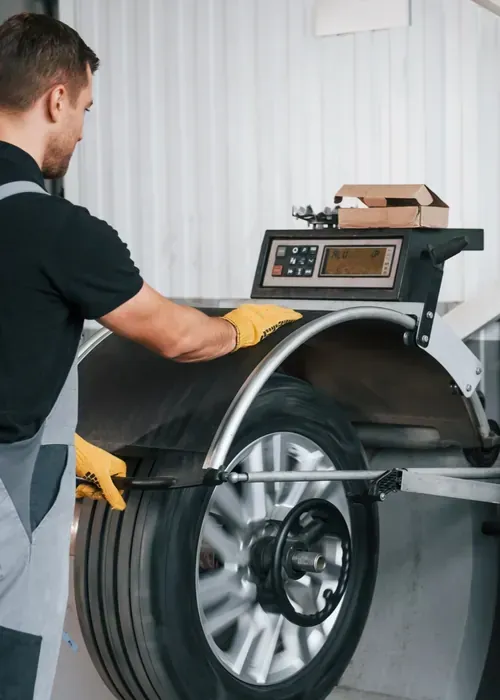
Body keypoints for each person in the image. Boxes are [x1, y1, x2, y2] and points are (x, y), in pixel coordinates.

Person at [0, 12, 302, 700]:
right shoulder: (56, 230)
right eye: (83, 108)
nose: (80, 129)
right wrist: (241, 330)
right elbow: (174, 336)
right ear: (54, 98)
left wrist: (61, 451)